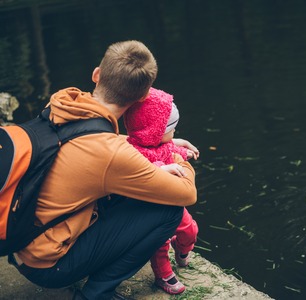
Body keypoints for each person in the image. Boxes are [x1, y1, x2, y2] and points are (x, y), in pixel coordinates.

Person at [8, 40, 197, 300]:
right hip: (51, 267)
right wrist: (177, 156)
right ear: (143, 97)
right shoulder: (111, 155)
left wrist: (159, 145)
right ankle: (97, 294)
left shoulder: (63, 105)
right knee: (169, 211)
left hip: (22, 244)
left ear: (96, 74)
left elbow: (93, 148)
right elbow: (186, 194)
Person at [123, 87, 199, 295]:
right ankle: (163, 274)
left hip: (172, 203)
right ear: (154, 130)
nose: (174, 132)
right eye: (171, 128)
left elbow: (170, 147)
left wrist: (185, 150)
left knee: (190, 229)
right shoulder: (133, 151)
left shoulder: (160, 143)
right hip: (150, 209)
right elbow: (136, 171)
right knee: (159, 243)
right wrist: (162, 168)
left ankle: (182, 249)